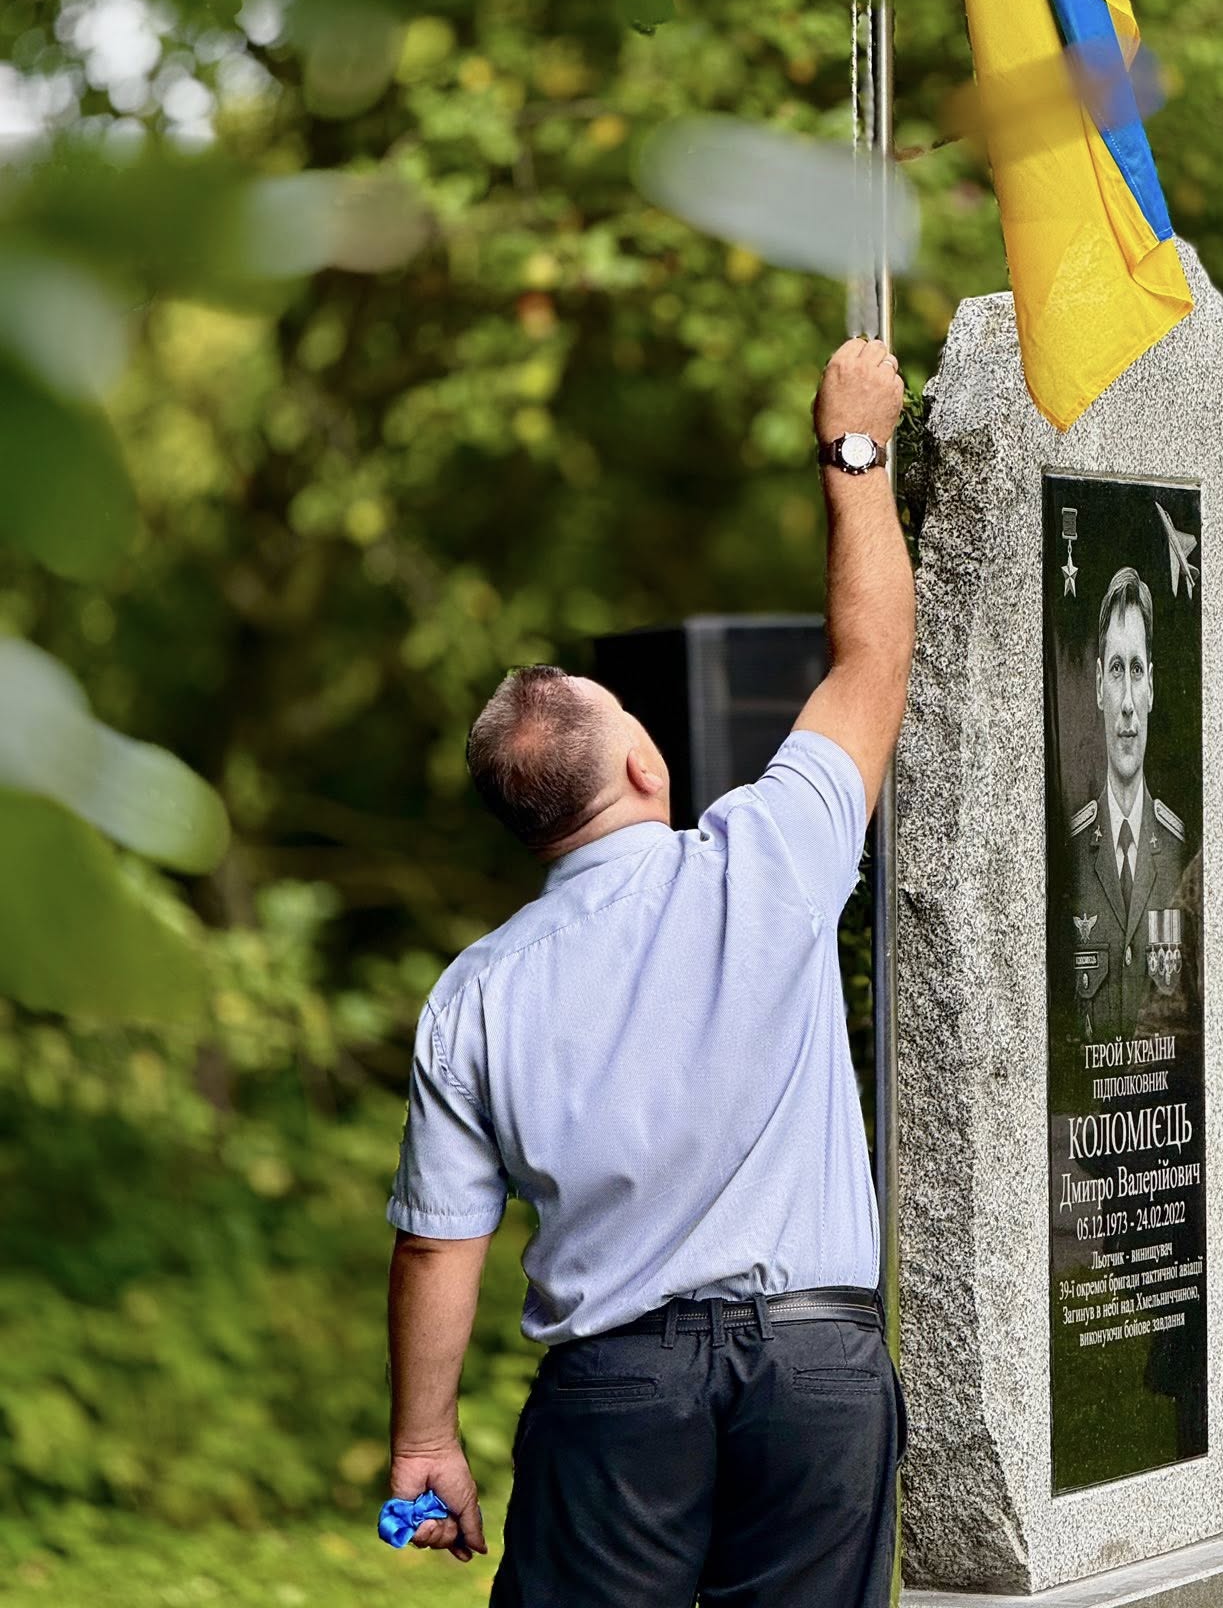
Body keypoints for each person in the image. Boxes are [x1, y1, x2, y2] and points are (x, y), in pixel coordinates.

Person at [383, 336, 913, 1608]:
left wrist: (423, 1441)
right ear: (641, 771)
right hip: (816, 1370)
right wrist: (856, 451)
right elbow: (869, 662)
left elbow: (437, 1244)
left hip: (614, 1392)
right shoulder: (766, 855)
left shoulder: (474, 996)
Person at [1064, 565, 1189, 1040]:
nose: (1128, 705)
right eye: (1117, 670)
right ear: (1098, 685)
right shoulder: (1070, 850)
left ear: (1153, 687)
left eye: (1137, 670)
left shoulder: (1179, 850)